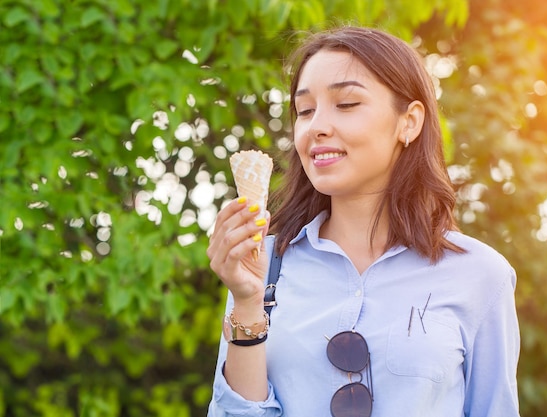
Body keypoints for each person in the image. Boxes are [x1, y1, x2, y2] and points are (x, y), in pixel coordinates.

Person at [206, 26, 521, 417]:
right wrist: (248, 304)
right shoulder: (261, 265)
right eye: (305, 111)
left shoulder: (479, 274)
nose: (316, 126)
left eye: (347, 103)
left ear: (409, 122)